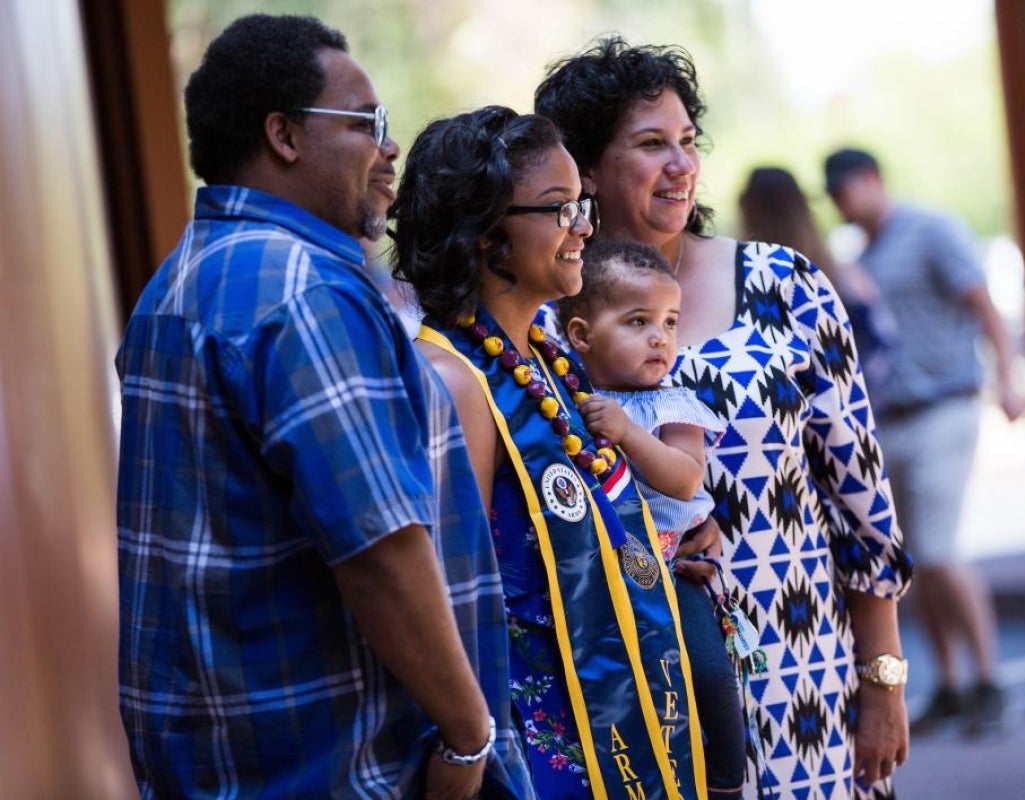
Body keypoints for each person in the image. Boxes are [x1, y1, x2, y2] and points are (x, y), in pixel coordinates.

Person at [114, 15, 532, 799]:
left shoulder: (175, 283)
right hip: (340, 771)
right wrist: (471, 741)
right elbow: (381, 548)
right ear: (284, 135)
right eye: (368, 123)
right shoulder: (305, 293)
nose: (392, 149)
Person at [536, 37, 914, 800]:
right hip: (633, 684)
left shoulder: (785, 284)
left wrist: (883, 678)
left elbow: (862, 500)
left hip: (801, 676)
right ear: (586, 168)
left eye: (687, 141)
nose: (682, 165)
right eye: (650, 145)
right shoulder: (546, 321)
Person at [388, 105, 705, 799]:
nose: (585, 227)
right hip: (534, 741)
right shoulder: (451, 378)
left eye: (582, 205)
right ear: (484, 236)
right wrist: (464, 748)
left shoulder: (548, 359)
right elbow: (444, 588)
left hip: (618, 711)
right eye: (561, 209)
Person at [823, 147, 1025, 739]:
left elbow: (984, 306)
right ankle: (951, 684)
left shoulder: (931, 229)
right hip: (891, 421)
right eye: (833, 196)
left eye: (846, 190)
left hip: (946, 406)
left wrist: (1010, 381)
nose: (841, 203)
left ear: (872, 180)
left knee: (938, 551)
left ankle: (990, 681)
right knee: (911, 563)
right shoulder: (862, 256)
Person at [557, 238, 746, 797]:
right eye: (638, 321)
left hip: (669, 565)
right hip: (600, 577)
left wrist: (625, 432)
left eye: (669, 321)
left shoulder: (674, 403)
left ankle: (727, 780)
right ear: (582, 336)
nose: (660, 337)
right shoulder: (564, 398)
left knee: (708, 671)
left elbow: (685, 476)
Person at [738, 166, 895, 389]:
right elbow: (883, 338)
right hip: (853, 404)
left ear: (746, 209)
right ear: (804, 208)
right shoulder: (842, 275)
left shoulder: (741, 284)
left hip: (784, 410)